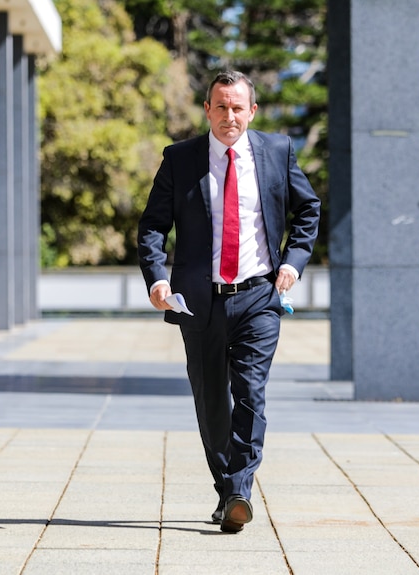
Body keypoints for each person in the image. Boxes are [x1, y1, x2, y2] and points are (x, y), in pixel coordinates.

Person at [137, 70, 321, 533]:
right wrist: (158, 279)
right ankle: (229, 491)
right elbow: (153, 226)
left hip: (259, 295)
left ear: (252, 111)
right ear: (207, 110)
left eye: (237, 107)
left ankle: (240, 488)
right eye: (220, 106)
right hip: (197, 302)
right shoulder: (180, 160)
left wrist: (292, 263)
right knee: (210, 401)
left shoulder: (276, 152)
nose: (229, 116)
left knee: (250, 392)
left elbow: (308, 209)